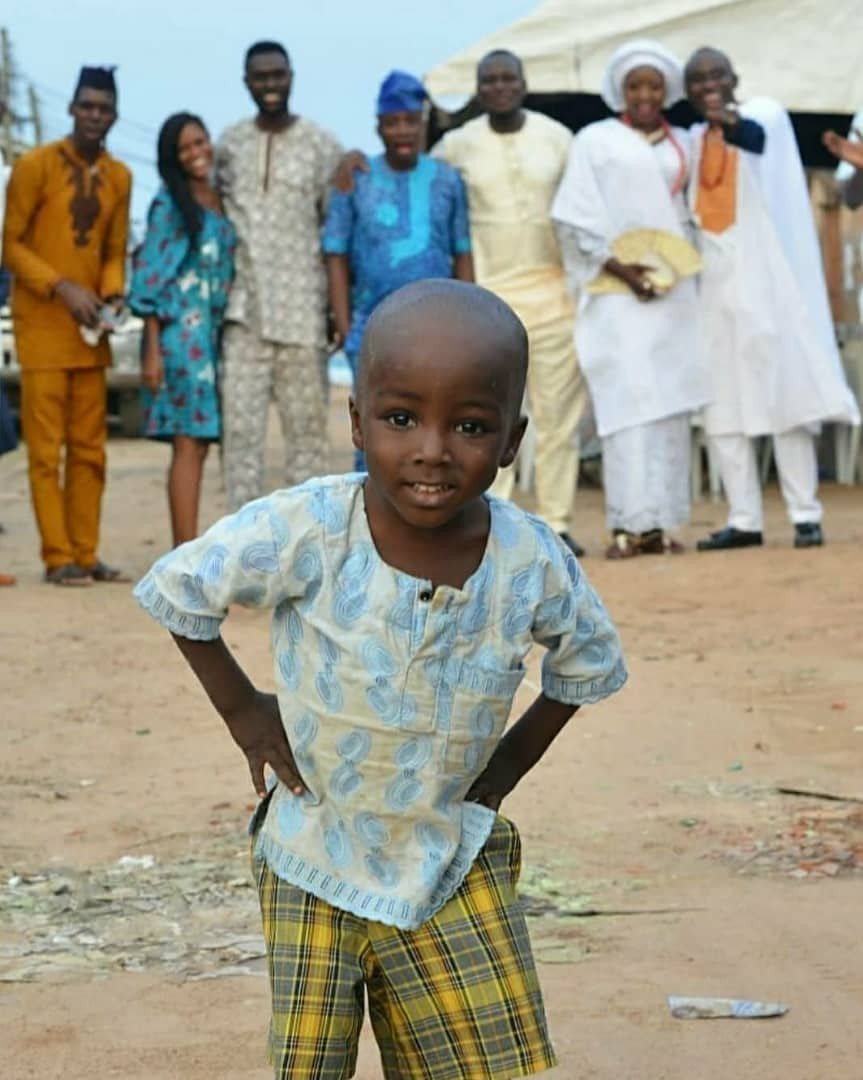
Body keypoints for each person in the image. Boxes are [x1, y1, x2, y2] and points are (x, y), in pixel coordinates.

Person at [134, 279, 627, 1080]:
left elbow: (586, 664)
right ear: (358, 421)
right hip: (314, 857)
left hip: (447, 863)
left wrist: (500, 771)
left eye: (469, 426)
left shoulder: (530, 559)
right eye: (401, 419)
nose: (432, 449)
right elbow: (180, 590)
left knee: (474, 1068)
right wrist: (241, 708)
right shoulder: (309, 528)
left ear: (511, 439)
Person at [685, 47, 860, 551]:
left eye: (716, 74)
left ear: (735, 76)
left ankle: (806, 514)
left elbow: (753, 138)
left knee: (785, 397)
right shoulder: (697, 140)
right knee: (721, 403)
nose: (708, 85)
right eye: (697, 80)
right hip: (714, 284)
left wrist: (728, 119)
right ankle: (744, 519)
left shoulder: (765, 114)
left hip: (768, 279)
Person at [552, 41, 708, 559]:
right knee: (627, 406)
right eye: (635, 85)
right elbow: (574, 215)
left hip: (673, 289)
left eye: (655, 86)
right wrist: (624, 270)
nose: (644, 94)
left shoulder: (683, 141)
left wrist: (668, 271)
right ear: (620, 89)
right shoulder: (595, 140)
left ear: (667, 92)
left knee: (668, 406)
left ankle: (660, 526)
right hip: (616, 289)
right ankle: (626, 526)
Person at [1, 66, 131, 585]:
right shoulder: (35, 166)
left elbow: (115, 249)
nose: (95, 115)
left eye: (104, 108)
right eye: (87, 106)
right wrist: (61, 286)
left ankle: (86, 551)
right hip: (42, 329)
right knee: (44, 453)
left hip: (90, 334)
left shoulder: (120, 177)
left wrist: (113, 289)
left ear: (114, 114)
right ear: (73, 108)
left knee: (91, 450)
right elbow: (9, 245)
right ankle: (57, 558)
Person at [322, 69, 473, 472]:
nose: (402, 131)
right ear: (379, 126)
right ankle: (367, 527)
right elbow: (335, 253)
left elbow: (462, 252)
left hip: (439, 327)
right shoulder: (356, 178)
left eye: (410, 121)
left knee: (434, 423)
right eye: (392, 123)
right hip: (371, 327)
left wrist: (472, 320)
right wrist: (343, 319)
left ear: (422, 123)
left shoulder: (447, 180)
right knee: (375, 429)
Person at [216, 40, 344, 511]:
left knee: (308, 442)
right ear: (247, 82)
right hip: (244, 313)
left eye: (277, 75)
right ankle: (241, 554)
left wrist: (335, 307)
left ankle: (305, 551)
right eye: (260, 76)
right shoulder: (228, 144)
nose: (270, 84)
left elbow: (335, 232)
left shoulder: (321, 144)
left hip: (302, 315)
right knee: (240, 438)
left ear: (291, 77)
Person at [129, 112, 235, 546]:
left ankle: (187, 549)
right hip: (180, 339)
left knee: (201, 443)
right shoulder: (170, 204)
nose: (196, 153)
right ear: (173, 159)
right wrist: (152, 350)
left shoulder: (221, 197)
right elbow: (149, 278)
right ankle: (183, 554)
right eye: (185, 148)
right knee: (188, 444)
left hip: (212, 338)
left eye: (200, 142)